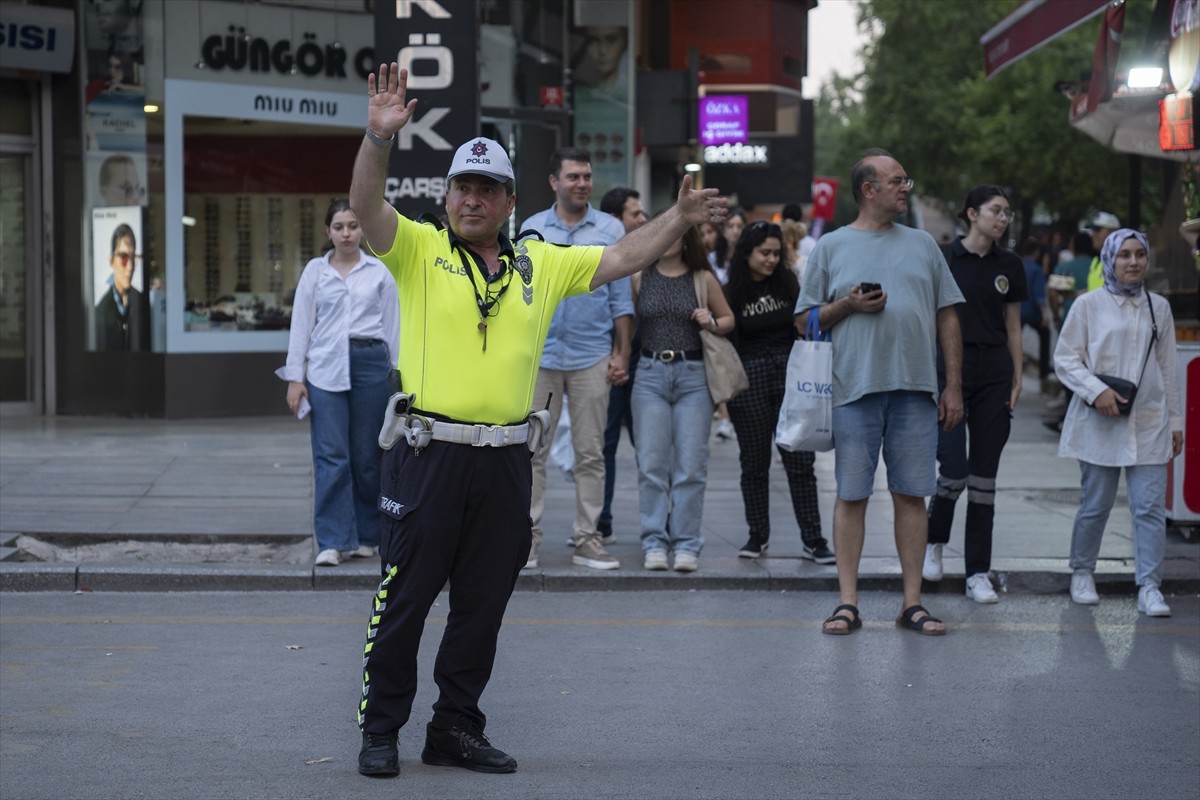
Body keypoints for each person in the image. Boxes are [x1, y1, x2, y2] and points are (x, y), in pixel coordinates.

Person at [349, 63, 727, 779]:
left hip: (504, 461)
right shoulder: (419, 250)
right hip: (428, 455)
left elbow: (622, 255)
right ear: (446, 195)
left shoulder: (539, 263)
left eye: (487, 189)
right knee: (403, 600)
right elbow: (366, 207)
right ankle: (381, 728)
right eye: (462, 187)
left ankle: (454, 728)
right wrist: (378, 138)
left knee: (483, 606)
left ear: (510, 201)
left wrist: (679, 217)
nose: (472, 199)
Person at [794, 148, 964, 636]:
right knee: (852, 495)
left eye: (905, 180)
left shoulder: (925, 244)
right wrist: (847, 305)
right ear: (869, 190)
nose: (905, 187)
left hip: (916, 390)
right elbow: (803, 321)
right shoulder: (831, 246)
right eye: (897, 181)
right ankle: (847, 603)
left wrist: (953, 385)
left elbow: (948, 315)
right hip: (853, 389)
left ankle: (912, 603)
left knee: (912, 495)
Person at [1053, 229, 1182, 616]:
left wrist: (1176, 421)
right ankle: (1082, 572)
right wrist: (1096, 391)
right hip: (1100, 422)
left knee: (1149, 508)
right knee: (1096, 504)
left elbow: (1168, 367)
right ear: (1110, 259)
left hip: (1149, 420)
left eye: (1140, 254)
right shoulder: (1088, 305)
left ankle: (1149, 586)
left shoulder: (1158, 307)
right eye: (1124, 254)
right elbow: (1065, 359)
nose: (1133, 262)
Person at [519, 148, 632, 571]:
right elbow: (521, 295)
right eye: (573, 177)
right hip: (541, 357)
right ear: (554, 182)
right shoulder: (532, 229)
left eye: (586, 176)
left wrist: (622, 353)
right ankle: (526, 541)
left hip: (592, 356)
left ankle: (588, 540)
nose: (582, 183)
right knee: (531, 452)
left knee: (590, 452)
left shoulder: (610, 228)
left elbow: (621, 298)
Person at [275, 199, 398, 567]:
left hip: (370, 363)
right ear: (328, 231)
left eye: (353, 226)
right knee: (331, 456)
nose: (346, 233)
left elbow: (393, 327)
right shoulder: (315, 272)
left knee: (367, 456)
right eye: (339, 227)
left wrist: (397, 377)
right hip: (325, 367)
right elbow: (301, 325)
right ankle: (331, 541)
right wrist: (295, 377)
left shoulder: (379, 272)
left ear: (362, 230)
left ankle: (368, 536)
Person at [921, 186, 1027, 604]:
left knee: (984, 479)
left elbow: (1013, 325)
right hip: (951, 371)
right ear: (971, 213)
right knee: (954, 470)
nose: (1002, 218)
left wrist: (1017, 376)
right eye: (995, 210)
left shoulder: (1010, 264)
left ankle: (977, 572)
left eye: (1007, 213)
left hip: (995, 374)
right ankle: (933, 541)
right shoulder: (944, 258)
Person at [724, 221, 834, 564]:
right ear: (747, 254)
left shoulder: (790, 284)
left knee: (800, 461)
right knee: (754, 463)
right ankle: (757, 535)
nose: (771, 260)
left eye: (776, 253)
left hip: (792, 377)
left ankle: (813, 539)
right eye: (764, 253)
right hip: (749, 381)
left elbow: (804, 325)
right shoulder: (731, 292)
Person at [631, 224, 734, 572]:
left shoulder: (702, 277)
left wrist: (711, 321)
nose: (669, 239)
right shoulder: (640, 276)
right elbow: (630, 323)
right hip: (650, 374)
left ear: (686, 238)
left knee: (691, 467)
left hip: (693, 376)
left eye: (676, 232)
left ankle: (687, 543)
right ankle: (654, 541)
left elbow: (728, 319)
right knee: (651, 466)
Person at [596, 186, 648, 542]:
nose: (642, 219)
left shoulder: (652, 255)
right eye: (635, 214)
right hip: (611, 363)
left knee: (650, 446)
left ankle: (657, 525)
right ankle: (601, 521)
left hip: (647, 363)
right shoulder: (602, 257)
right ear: (616, 220)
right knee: (605, 445)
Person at [1045, 230, 1098, 431]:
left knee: (1070, 367)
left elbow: (1052, 292)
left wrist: (1056, 315)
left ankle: (1070, 413)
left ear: (1073, 247)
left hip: (1069, 323)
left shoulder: (1067, 268)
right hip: (1096, 325)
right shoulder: (1098, 267)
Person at [94, 222, 148, 350]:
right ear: (111, 261)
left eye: (133, 257)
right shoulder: (100, 312)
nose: (130, 266)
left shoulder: (142, 302)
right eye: (124, 257)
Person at [1018, 236, 1053, 393]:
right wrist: (1044, 314)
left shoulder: (1016, 265)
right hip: (1031, 311)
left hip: (1016, 311)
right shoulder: (1036, 269)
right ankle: (1043, 372)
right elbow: (1039, 294)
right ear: (1036, 252)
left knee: (1013, 339)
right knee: (1045, 334)